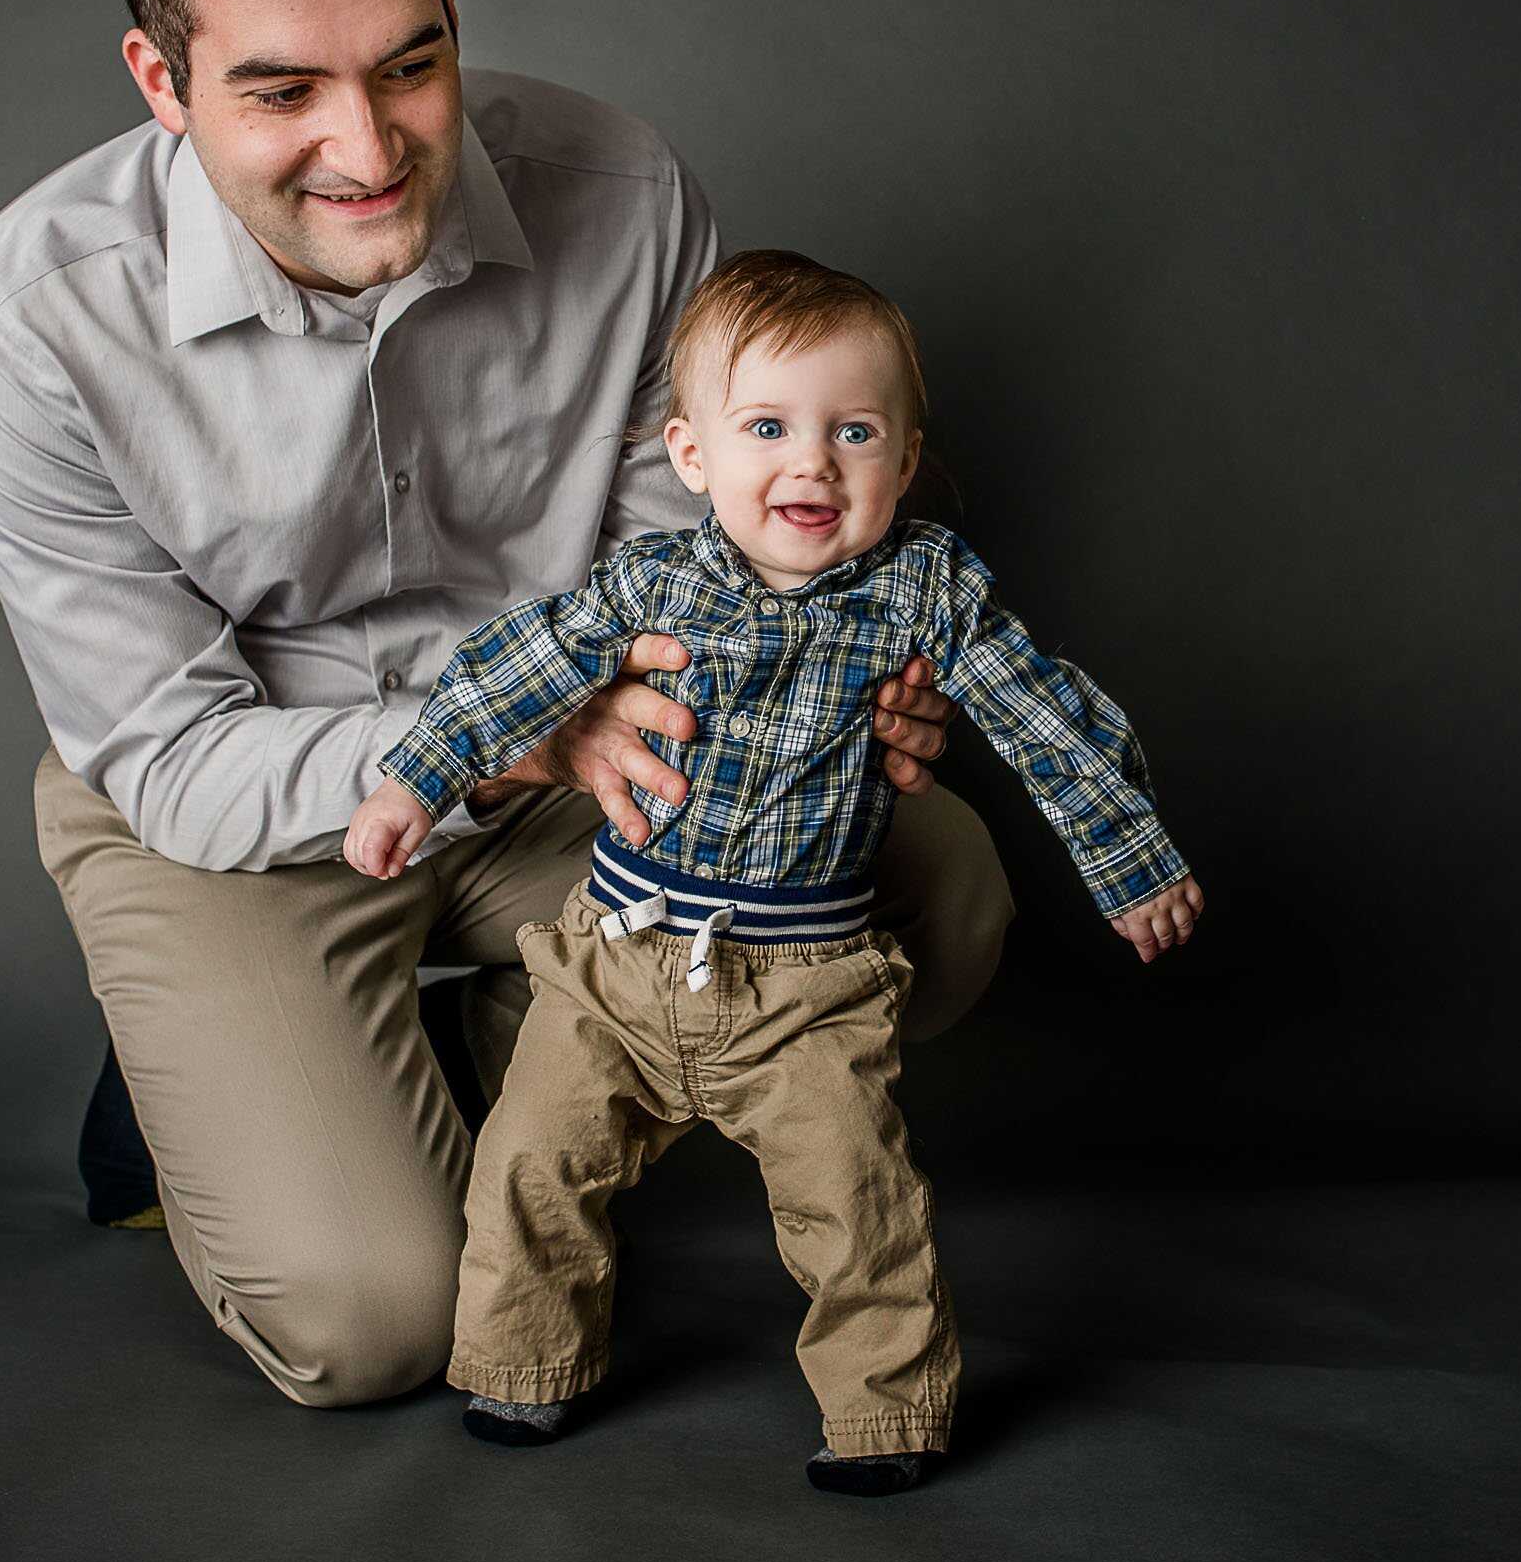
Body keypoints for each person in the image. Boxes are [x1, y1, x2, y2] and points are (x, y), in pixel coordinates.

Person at [0, 0, 1011, 1409]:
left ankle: (423, 1064)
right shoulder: (29, 314)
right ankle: (215, 1084)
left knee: (921, 894)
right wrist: (486, 735)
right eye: (281, 89)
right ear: (162, 76)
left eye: (407, 63)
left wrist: (819, 678)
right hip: (237, 805)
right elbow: (159, 746)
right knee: (371, 1318)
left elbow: (689, 580)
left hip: (574, 765)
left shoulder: (630, 194)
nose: (363, 148)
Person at [345, 251, 1202, 1489]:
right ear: (691, 454)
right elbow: (513, 663)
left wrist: (1129, 862)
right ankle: (525, 1368)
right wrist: (414, 778)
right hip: (618, 959)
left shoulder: (928, 594)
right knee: (533, 1162)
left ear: (903, 463)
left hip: (807, 983)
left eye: (854, 431)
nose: (811, 464)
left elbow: (1047, 718)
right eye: (767, 427)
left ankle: (884, 1417)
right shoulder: (654, 579)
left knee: (858, 1205)